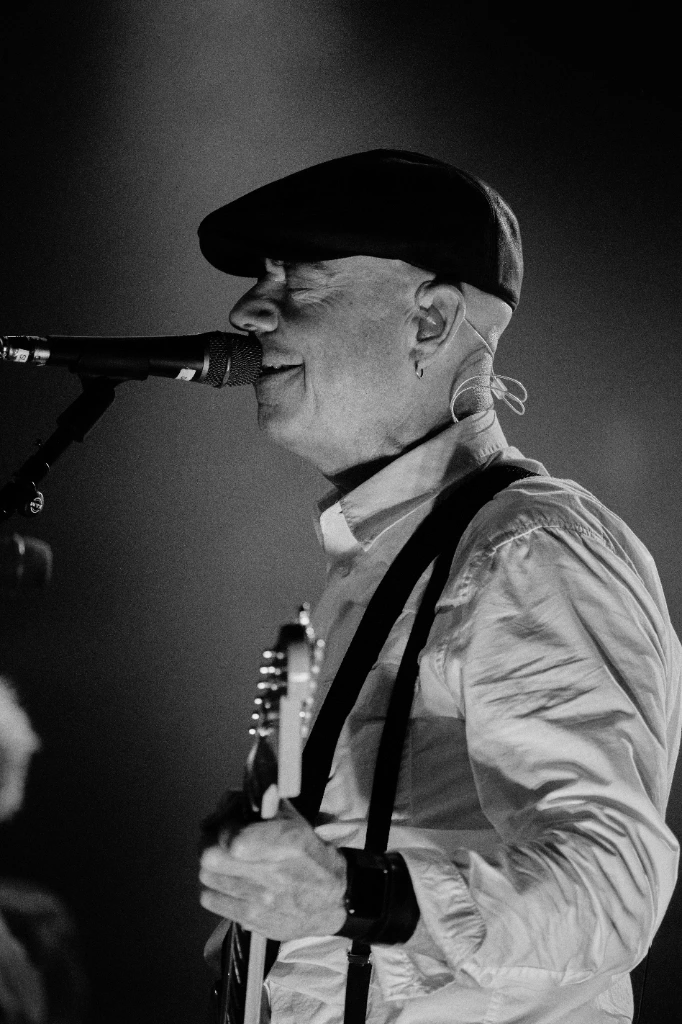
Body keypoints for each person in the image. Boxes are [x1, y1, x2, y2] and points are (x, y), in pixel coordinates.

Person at [196, 150, 681, 1024]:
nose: (246, 311)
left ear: (432, 319)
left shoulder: (530, 550)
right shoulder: (375, 567)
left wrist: (353, 896)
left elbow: (613, 886)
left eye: (299, 279)